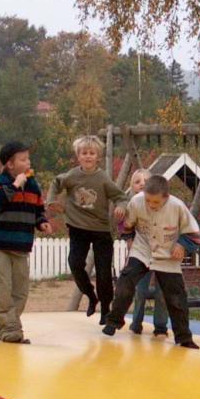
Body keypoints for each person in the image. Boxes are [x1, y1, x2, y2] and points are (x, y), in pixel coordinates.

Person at [102, 175, 200, 349]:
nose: (151, 205)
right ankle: (113, 321)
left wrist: (182, 245)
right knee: (125, 282)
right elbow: (126, 224)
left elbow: (193, 233)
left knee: (176, 297)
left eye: (156, 202)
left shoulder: (177, 207)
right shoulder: (136, 202)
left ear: (166, 197)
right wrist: (129, 238)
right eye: (148, 200)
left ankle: (184, 337)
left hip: (167, 255)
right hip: (142, 249)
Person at [50, 135, 127, 324]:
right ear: (78, 156)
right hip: (78, 228)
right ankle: (91, 296)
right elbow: (56, 183)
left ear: (98, 156)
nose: (88, 156)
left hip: (101, 230)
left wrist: (121, 206)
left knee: (103, 273)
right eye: (84, 153)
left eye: (92, 153)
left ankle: (105, 309)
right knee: (75, 263)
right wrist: (51, 200)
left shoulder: (102, 178)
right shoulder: (72, 176)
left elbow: (120, 196)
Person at [0, 141, 53, 344]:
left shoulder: (32, 185)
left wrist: (42, 222)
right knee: (2, 290)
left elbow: (38, 209)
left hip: (21, 246)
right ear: (10, 164)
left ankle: (12, 325)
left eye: (28, 158)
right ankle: (9, 330)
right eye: (23, 159)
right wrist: (14, 186)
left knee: (21, 291)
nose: (28, 162)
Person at [119, 168, 169, 336]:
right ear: (132, 186)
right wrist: (129, 241)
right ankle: (136, 322)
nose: (142, 184)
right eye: (137, 181)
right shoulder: (132, 204)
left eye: (146, 181)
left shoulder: (161, 204)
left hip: (161, 252)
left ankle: (160, 326)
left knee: (162, 290)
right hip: (140, 253)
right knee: (140, 290)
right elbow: (124, 225)